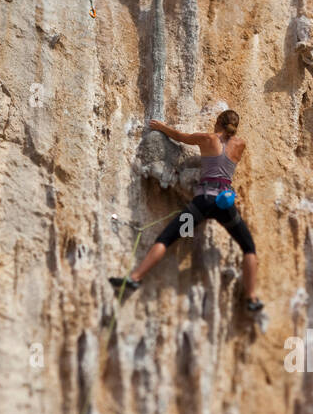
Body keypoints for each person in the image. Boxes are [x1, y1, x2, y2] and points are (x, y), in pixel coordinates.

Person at [110, 109, 263, 311]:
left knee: (167, 238)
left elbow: (180, 137)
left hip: (202, 203)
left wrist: (161, 127)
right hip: (224, 204)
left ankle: (136, 277)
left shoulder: (206, 138)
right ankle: (251, 298)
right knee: (248, 247)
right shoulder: (240, 144)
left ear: (217, 123)